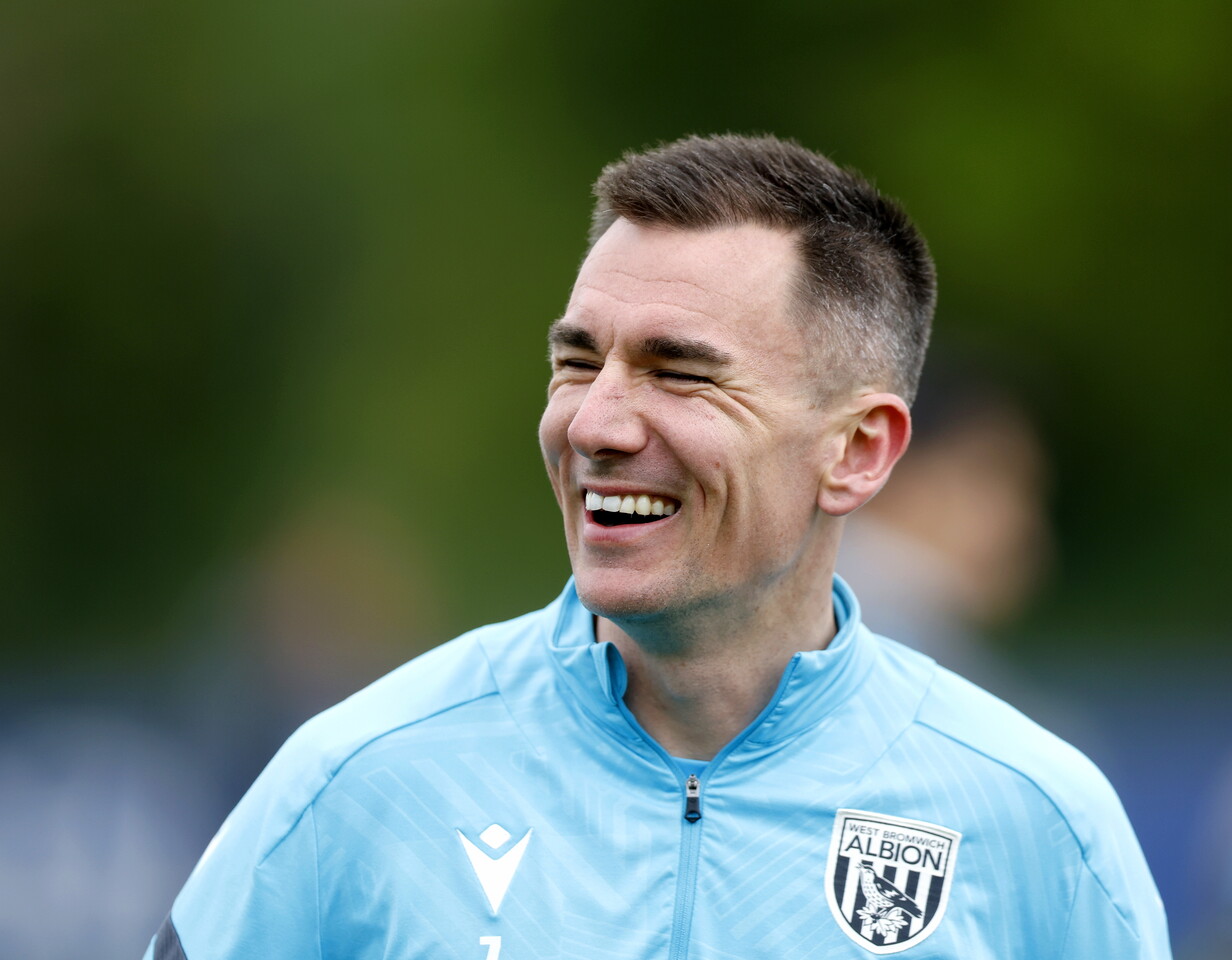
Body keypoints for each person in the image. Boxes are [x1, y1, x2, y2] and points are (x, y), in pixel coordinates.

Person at [145, 135, 1170, 959]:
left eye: (677, 373)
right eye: (577, 360)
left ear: (856, 451)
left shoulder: (1035, 820)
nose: (594, 422)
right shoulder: (357, 780)